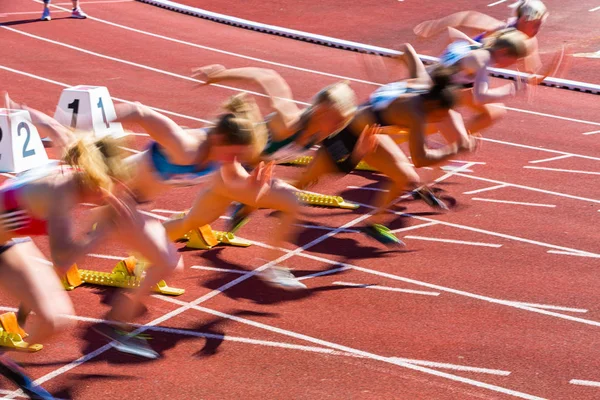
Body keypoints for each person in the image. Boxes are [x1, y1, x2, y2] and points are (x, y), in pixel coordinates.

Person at [195, 63, 475, 245]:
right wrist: (218, 75)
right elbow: (267, 76)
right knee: (296, 187)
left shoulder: (328, 131)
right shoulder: (290, 119)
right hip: (231, 155)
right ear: (321, 113)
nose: (336, 128)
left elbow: (341, 167)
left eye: (339, 123)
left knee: (402, 174)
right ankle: (237, 211)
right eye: (335, 121)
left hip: (260, 163)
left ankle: (374, 224)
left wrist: (358, 154)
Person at [413, 0, 549, 84]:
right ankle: (431, 69)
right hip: (465, 57)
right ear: (524, 19)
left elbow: (533, 71)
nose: (538, 29)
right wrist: (436, 25)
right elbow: (468, 17)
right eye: (535, 24)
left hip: (474, 69)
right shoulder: (503, 28)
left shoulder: (531, 41)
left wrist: (553, 67)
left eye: (540, 25)